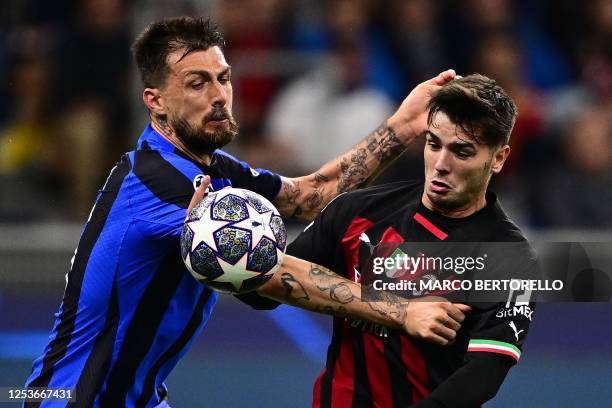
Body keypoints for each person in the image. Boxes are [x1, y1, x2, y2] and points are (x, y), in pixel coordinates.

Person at [24, 17, 469, 407]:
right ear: (155, 100)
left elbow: (307, 197)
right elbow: (268, 276)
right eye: (198, 83)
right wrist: (401, 310)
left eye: (224, 78)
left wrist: (401, 127)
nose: (219, 95)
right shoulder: (156, 183)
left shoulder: (209, 166)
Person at [259, 74, 537, 407]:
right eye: (434, 144)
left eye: (462, 152)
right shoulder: (357, 211)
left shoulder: (510, 258)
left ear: (499, 158)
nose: (441, 164)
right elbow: (262, 291)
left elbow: (482, 377)